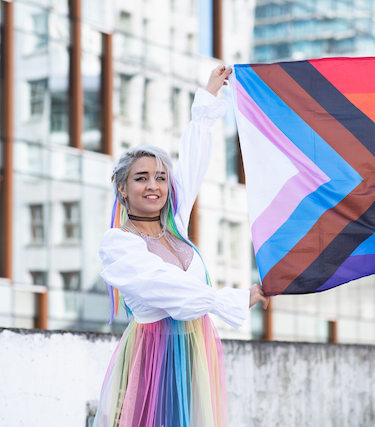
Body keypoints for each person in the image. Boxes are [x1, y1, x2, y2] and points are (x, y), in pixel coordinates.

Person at [93, 65, 269, 427]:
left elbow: (193, 160)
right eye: (141, 178)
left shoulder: (178, 228)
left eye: (160, 177)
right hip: (153, 355)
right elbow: (165, 288)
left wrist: (207, 98)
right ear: (123, 188)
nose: (154, 186)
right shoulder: (119, 245)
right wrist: (230, 299)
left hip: (195, 350)